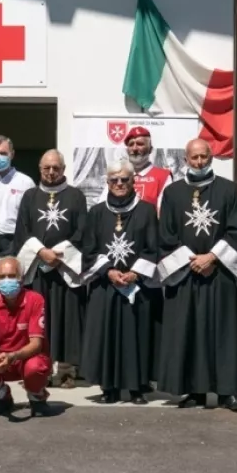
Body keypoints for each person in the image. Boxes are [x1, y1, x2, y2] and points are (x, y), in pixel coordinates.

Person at [157, 138, 237, 410]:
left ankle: (228, 392)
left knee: (224, 332)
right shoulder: (173, 193)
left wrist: (212, 257)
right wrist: (192, 260)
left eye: (204, 156)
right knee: (190, 331)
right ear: (186, 159)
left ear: (212, 157)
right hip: (185, 273)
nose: (199, 162)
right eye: (194, 157)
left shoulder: (229, 190)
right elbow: (167, 235)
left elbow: (235, 231)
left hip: (218, 272)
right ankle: (194, 390)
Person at [80, 159, 159, 404]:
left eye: (125, 179)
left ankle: (136, 389)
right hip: (106, 286)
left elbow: (153, 248)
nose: (120, 184)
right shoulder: (96, 212)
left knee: (135, 336)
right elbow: (88, 249)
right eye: (114, 179)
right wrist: (108, 271)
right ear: (107, 182)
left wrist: (136, 272)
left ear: (133, 181)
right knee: (107, 337)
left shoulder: (146, 210)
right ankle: (109, 389)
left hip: (137, 285)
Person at [14, 149, 89, 388]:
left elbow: (82, 231)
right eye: (46, 168)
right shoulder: (29, 196)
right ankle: (39, 369)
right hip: (38, 269)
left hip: (65, 269)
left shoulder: (76, 196)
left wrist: (59, 255)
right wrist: (40, 252)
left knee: (68, 320)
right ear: (39, 169)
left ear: (64, 169)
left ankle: (67, 370)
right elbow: (22, 231)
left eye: (56, 167)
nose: (51, 172)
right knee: (39, 320)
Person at [0, 257, 52, 417]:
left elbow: (36, 344)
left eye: (12, 276)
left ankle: (37, 398)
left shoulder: (35, 300)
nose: (7, 281)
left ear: (22, 279)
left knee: (35, 367)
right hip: (0, 361)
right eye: (2, 276)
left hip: (26, 359)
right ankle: (1, 398)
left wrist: (13, 356)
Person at [100, 126, 174, 210]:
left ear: (150, 149)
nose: (134, 148)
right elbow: (103, 206)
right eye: (131, 144)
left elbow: (164, 212)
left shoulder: (163, 176)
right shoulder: (118, 175)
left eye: (140, 144)